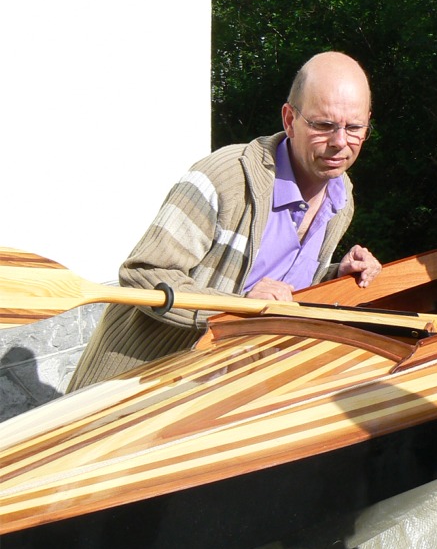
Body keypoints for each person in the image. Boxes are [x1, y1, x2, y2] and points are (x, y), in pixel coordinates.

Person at [68, 51, 382, 391]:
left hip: (222, 395)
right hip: (140, 386)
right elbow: (142, 274)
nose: (340, 142)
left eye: (354, 127)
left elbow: (281, 282)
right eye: (323, 125)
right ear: (289, 120)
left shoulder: (341, 196)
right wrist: (239, 306)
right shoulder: (224, 178)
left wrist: (334, 275)